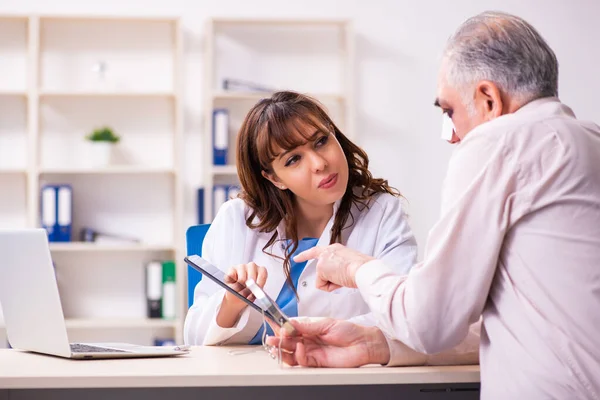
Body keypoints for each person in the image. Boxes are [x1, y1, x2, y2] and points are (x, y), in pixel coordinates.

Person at [268, 11, 600, 399]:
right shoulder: (586, 141)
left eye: (449, 112)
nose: (452, 135)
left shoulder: (499, 144)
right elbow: (532, 319)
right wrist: (376, 343)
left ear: (488, 99)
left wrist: (356, 267)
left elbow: (429, 321)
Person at [184, 91, 419, 346]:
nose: (319, 163)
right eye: (294, 159)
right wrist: (232, 303)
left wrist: (328, 333)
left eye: (320, 141)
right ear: (274, 178)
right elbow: (194, 338)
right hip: (251, 379)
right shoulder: (236, 219)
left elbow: (407, 315)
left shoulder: (382, 212)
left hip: (345, 378)